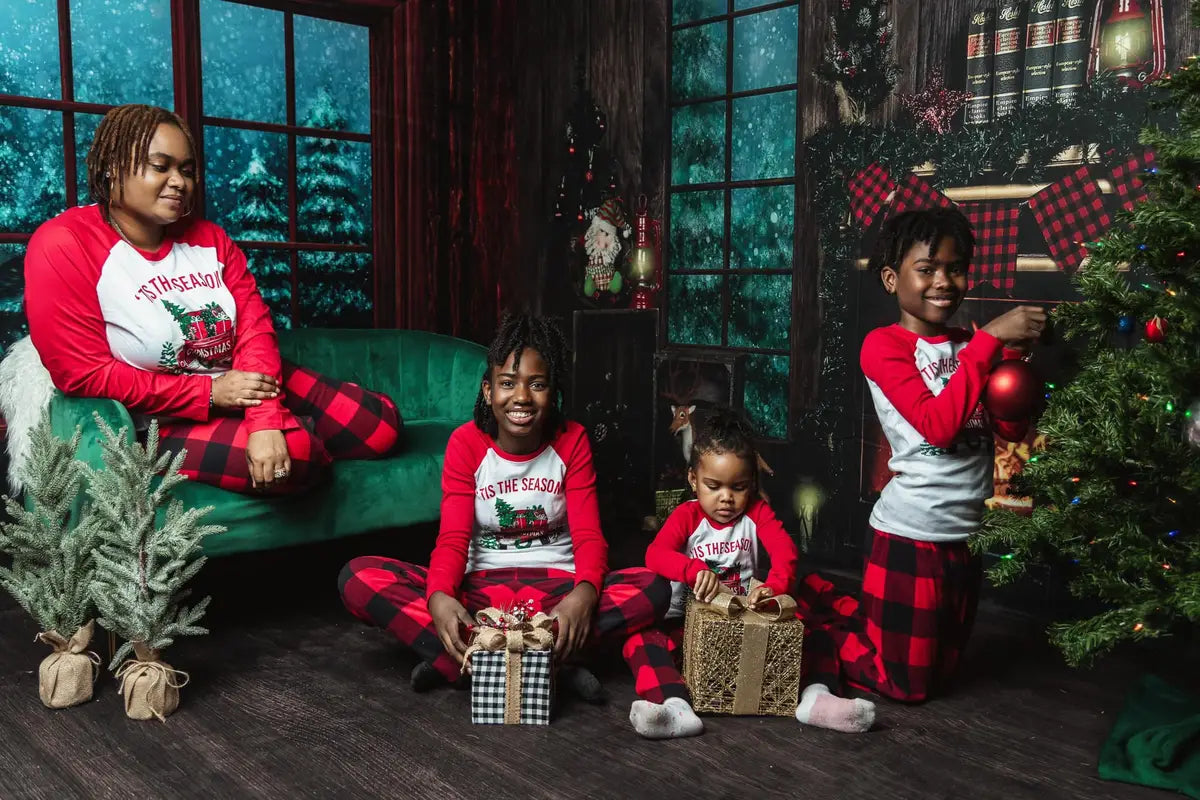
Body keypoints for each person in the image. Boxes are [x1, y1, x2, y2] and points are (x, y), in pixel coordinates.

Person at [23, 104, 400, 494]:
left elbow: (254, 327)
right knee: (296, 454)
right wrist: (210, 394)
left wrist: (266, 417)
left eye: (186, 170)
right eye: (160, 166)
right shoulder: (64, 243)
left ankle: (290, 425)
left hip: (240, 381)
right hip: (157, 421)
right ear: (112, 167)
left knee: (380, 428)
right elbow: (82, 373)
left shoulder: (209, 237)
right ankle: (301, 434)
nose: (179, 182)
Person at [339, 312, 670, 697]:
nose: (522, 398)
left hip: (555, 595)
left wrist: (583, 596)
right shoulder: (466, 444)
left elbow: (589, 538)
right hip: (481, 594)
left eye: (538, 384)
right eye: (508, 383)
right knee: (358, 578)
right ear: (487, 391)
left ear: (553, 390)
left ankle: (463, 665)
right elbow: (452, 539)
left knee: (656, 589)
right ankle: (552, 668)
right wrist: (440, 598)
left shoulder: (572, 440)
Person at [799, 207, 1046, 703]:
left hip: (964, 539)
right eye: (927, 268)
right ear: (892, 279)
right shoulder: (885, 346)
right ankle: (812, 634)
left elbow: (1003, 429)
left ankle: (851, 609)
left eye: (955, 268)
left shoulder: (969, 345)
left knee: (943, 675)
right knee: (906, 686)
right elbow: (939, 424)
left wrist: (1016, 384)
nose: (943, 281)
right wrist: (991, 341)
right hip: (911, 535)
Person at [623, 408, 876, 739]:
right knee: (642, 642)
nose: (726, 498)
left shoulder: (757, 512)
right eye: (713, 486)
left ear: (752, 484)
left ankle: (818, 698)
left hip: (747, 619)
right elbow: (654, 554)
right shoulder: (687, 515)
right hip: (689, 622)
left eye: (738, 487)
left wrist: (773, 587)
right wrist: (692, 569)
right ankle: (675, 707)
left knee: (817, 636)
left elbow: (786, 552)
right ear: (693, 480)